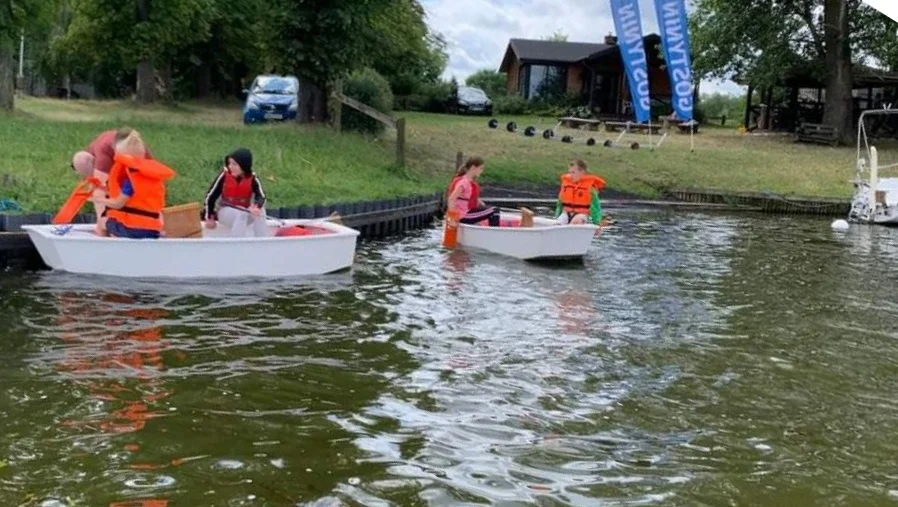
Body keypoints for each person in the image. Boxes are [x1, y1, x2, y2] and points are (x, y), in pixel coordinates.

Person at [89, 131, 174, 239]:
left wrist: (98, 199)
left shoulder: (130, 180)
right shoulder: (152, 177)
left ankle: (104, 238)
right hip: (153, 229)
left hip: (132, 229)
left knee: (103, 221)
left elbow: (118, 204)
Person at [71, 128, 154, 234]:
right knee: (81, 159)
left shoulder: (144, 157)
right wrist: (103, 225)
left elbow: (153, 188)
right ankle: (103, 224)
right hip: (100, 167)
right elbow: (100, 190)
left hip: (126, 176)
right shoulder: (104, 153)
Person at [202, 148, 269, 237]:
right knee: (242, 213)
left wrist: (256, 206)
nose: (230, 166)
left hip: (243, 214)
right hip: (225, 213)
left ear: (243, 166)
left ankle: (262, 242)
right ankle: (236, 246)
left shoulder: (253, 178)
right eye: (229, 163)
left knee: (260, 210)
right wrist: (209, 217)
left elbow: (261, 196)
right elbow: (210, 197)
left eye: (234, 164)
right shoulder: (224, 176)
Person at [446, 157, 500, 226]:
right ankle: (494, 234)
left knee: (491, 210)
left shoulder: (469, 182)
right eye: (481, 168)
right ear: (473, 167)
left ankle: (491, 231)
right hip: (463, 216)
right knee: (494, 210)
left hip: (465, 213)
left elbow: (469, 197)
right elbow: (452, 199)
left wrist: (482, 204)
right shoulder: (464, 182)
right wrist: (452, 219)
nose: (482, 171)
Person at [555, 159, 605, 225]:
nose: (570, 175)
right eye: (569, 172)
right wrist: (557, 217)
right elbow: (560, 203)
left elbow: (595, 208)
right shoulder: (566, 185)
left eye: (573, 172)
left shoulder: (590, 189)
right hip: (566, 213)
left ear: (582, 172)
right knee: (558, 223)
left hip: (582, 215)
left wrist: (597, 223)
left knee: (577, 221)